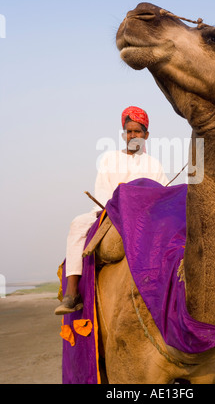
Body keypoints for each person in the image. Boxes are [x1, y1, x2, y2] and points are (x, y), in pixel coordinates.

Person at [55, 106, 168, 315]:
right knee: (77, 224)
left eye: (137, 131)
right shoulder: (109, 159)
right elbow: (104, 194)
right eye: (129, 131)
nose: (133, 135)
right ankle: (72, 292)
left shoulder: (154, 165)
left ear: (146, 135)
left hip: (144, 219)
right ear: (124, 134)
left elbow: (161, 195)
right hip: (109, 213)